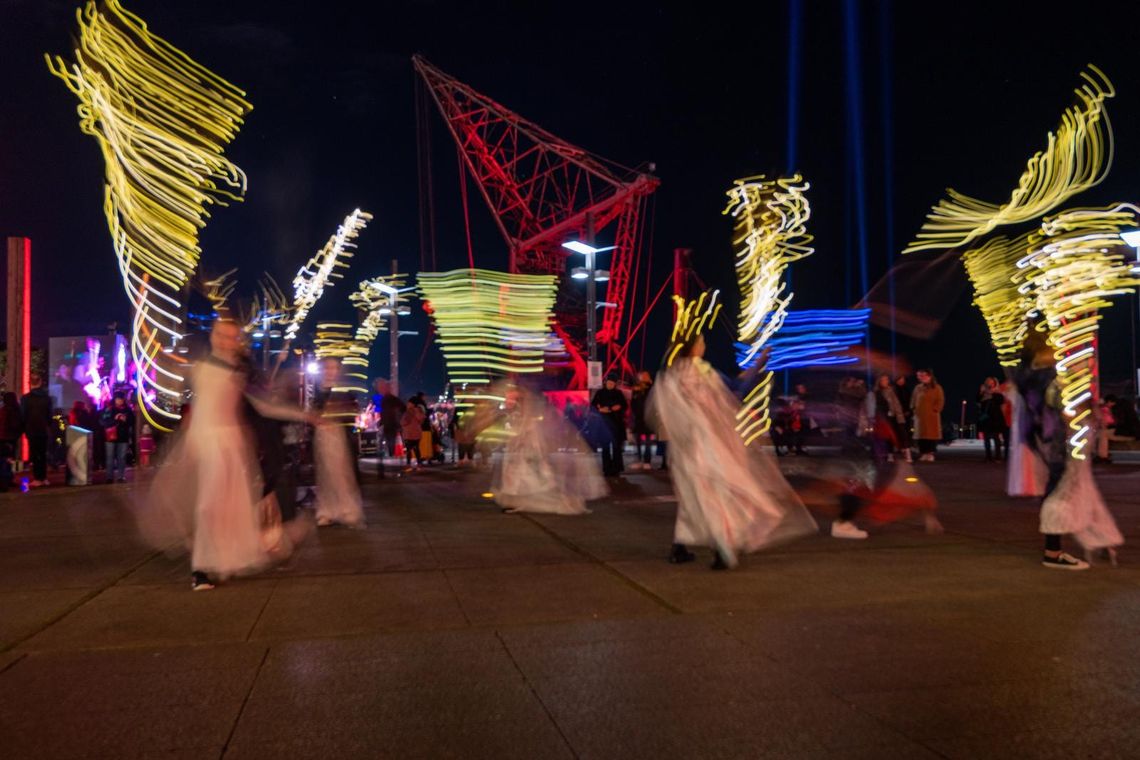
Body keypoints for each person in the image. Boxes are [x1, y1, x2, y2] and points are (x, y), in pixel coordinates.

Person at [139, 320, 322, 590]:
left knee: (229, 508)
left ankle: (219, 561)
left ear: (237, 342)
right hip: (207, 442)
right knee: (207, 505)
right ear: (213, 337)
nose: (225, 341)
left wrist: (304, 415)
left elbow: (266, 405)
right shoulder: (201, 369)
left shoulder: (239, 374)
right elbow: (199, 408)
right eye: (221, 335)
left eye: (231, 337)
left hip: (231, 446)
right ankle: (201, 567)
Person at [649, 301, 817, 569]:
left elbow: (664, 413)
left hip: (684, 448)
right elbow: (737, 387)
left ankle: (679, 548)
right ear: (693, 346)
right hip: (709, 445)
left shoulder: (670, 377)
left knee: (693, 497)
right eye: (702, 341)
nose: (704, 345)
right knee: (717, 495)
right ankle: (721, 551)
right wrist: (760, 362)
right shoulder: (701, 371)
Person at [1016, 335, 1120, 570]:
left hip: (1049, 439)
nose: (1057, 350)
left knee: (1072, 487)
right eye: (1051, 346)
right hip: (1057, 441)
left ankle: (1096, 539)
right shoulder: (1044, 378)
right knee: (1061, 491)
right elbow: (1061, 406)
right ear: (1040, 351)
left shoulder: (1029, 376)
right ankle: (1053, 551)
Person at [491, 384, 607, 514]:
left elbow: (525, 426)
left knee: (523, 471)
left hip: (525, 443)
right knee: (518, 471)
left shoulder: (526, 410)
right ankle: (515, 499)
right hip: (519, 442)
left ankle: (521, 498)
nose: (508, 401)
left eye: (510, 399)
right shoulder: (520, 408)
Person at [311, 359, 365, 528]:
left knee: (341, 472)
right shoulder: (317, 389)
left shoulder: (344, 390)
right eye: (327, 367)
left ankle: (346, 510)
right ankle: (327, 510)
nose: (330, 371)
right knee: (325, 473)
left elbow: (353, 411)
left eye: (333, 368)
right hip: (323, 434)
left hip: (339, 434)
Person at [864, 373, 906, 465]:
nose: (886, 381)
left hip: (889, 416)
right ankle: (878, 454)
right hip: (878, 416)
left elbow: (896, 404)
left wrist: (899, 416)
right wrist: (871, 417)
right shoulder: (874, 393)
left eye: (887, 379)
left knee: (888, 436)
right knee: (878, 436)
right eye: (884, 380)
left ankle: (890, 454)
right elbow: (870, 405)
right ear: (879, 381)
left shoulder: (890, 391)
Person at [591, 373, 628, 477]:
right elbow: (593, 406)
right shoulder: (600, 393)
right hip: (603, 424)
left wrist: (615, 408)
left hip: (616, 424)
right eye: (609, 383)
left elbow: (624, 405)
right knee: (605, 448)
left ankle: (616, 468)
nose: (610, 385)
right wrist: (600, 409)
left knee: (616, 447)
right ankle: (607, 469)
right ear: (605, 383)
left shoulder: (618, 393)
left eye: (612, 383)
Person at [20, 375, 53, 487]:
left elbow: (23, 415)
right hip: (44, 429)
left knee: (35, 454)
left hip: (32, 429)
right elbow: (50, 416)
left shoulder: (25, 398)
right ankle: (44, 478)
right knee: (43, 454)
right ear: (40, 382)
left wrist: (23, 428)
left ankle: (37, 478)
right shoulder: (47, 398)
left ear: (30, 384)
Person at [911, 369, 944, 462]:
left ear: (929, 376)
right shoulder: (918, 388)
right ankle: (924, 453)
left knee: (931, 436)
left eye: (923, 375)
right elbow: (913, 399)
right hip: (919, 415)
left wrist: (936, 409)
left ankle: (930, 453)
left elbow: (940, 400)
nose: (921, 378)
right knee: (921, 436)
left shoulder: (937, 387)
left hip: (931, 415)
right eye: (919, 376)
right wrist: (913, 409)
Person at [101, 393, 135, 483]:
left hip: (123, 437)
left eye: (122, 399)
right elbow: (103, 422)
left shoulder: (128, 410)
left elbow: (132, 421)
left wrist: (126, 420)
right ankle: (109, 477)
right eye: (118, 399)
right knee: (110, 457)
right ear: (114, 399)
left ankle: (121, 476)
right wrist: (115, 419)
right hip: (111, 437)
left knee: (122, 457)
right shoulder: (109, 409)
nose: (120, 401)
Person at [629, 370, 656, 470]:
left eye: (645, 376)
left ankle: (647, 461)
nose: (643, 378)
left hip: (649, 418)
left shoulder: (651, 389)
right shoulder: (636, 390)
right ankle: (639, 460)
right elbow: (633, 403)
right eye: (641, 376)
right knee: (638, 441)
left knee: (648, 441)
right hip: (638, 419)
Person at [976, 377, 1007, 462]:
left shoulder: (997, 393)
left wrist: (991, 394)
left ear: (994, 383)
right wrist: (981, 392)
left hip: (996, 418)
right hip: (986, 418)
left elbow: (1000, 401)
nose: (989, 384)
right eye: (988, 382)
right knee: (986, 438)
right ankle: (988, 456)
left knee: (996, 438)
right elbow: (977, 400)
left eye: (991, 383)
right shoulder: (983, 393)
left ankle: (998, 456)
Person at [0, 392, 23, 491]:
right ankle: (10, 479)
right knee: (12, 459)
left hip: (2, 438)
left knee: (4, 460)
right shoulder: (15, 411)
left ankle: (5, 480)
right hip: (12, 438)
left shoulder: (3, 410)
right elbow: (17, 425)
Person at [400, 399, 425, 469]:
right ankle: (415, 463)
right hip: (411, 433)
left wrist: (412, 413)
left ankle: (412, 463)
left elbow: (403, 422)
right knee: (413, 449)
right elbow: (402, 422)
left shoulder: (414, 411)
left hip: (413, 434)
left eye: (409, 403)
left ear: (413, 404)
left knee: (412, 449)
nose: (408, 405)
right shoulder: (407, 412)